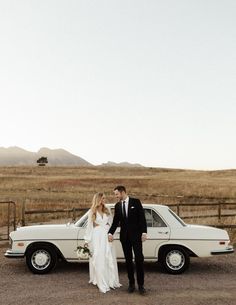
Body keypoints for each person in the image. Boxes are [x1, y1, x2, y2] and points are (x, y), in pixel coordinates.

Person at [108, 186, 147, 295]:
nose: (116, 196)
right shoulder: (117, 205)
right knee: (128, 261)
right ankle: (131, 284)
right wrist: (110, 233)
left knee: (139, 259)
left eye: (116, 194)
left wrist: (144, 232)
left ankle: (141, 285)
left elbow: (142, 218)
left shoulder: (136, 202)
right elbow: (116, 222)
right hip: (124, 238)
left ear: (122, 192)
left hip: (137, 237)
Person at [84, 192, 121, 293]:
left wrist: (111, 234)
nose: (105, 200)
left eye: (105, 198)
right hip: (97, 237)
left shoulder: (107, 209)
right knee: (99, 257)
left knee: (108, 257)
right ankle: (100, 280)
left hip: (106, 236)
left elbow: (112, 223)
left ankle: (110, 280)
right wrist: (87, 241)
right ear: (98, 199)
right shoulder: (92, 211)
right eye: (103, 198)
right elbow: (89, 227)